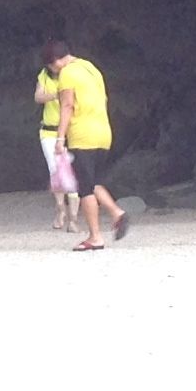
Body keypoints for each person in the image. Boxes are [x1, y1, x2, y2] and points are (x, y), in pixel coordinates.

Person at [37, 39, 124, 250]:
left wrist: (60, 138)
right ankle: (116, 213)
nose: (53, 71)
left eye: (51, 67)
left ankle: (95, 237)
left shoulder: (67, 73)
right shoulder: (90, 68)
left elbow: (67, 105)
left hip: (83, 135)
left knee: (85, 188)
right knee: (94, 181)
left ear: (55, 61)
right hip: (103, 132)